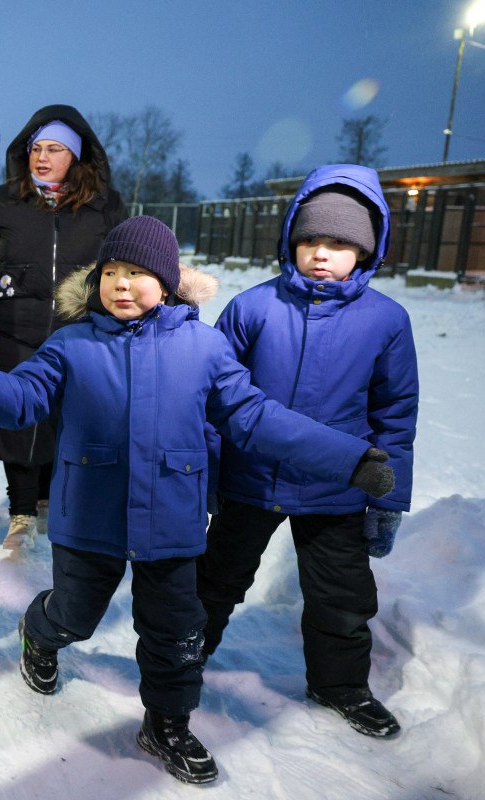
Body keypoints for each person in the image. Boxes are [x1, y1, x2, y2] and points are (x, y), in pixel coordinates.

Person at [0, 216, 396, 784]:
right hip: (89, 516)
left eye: (137, 273)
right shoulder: (72, 343)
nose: (122, 284)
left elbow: (256, 420)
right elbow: (20, 401)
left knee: (176, 632)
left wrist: (348, 458)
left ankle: (166, 724)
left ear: (166, 283)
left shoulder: (203, 347)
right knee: (75, 615)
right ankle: (40, 630)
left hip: (172, 519)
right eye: (111, 272)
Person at [195, 165, 419, 739]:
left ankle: (339, 684)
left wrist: (389, 497)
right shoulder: (253, 308)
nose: (323, 253)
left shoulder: (387, 321)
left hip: (338, 487)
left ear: (368, 251)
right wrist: (210, 473)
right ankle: (182, 654)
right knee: (216, 578)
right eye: (311, 240)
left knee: (341, 596)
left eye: (341, 243)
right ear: (291, 241)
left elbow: (395, 414)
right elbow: (213, 399)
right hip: (250, 478)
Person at [0, 104, 127, 550]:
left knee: (66, 417)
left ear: (74, 156)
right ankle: (19, 511)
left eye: (54, 148)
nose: (42, 156)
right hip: (14, 325)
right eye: (36, 147)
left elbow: (126, 253)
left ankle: (49, 501)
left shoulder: (105, 205)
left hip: (80, 328)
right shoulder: (6, 198)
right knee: (17, 416)